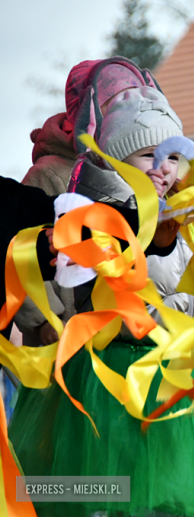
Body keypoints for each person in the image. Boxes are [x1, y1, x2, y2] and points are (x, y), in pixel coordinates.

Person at [8, 87, 194, 517]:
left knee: (187, 486)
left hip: (187, 375)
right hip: (116, 377)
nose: (161, 168)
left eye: (172, 157)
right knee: (117, 486)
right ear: (116, 163)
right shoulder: (101, 219)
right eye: (146, 156)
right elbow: (105, 289)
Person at [16, 57, 162, 346]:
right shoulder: (50, 174)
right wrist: (47, 320)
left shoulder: (146, 170)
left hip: (137, 335)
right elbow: (22, 249)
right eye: (114, 105)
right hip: (76, 342)